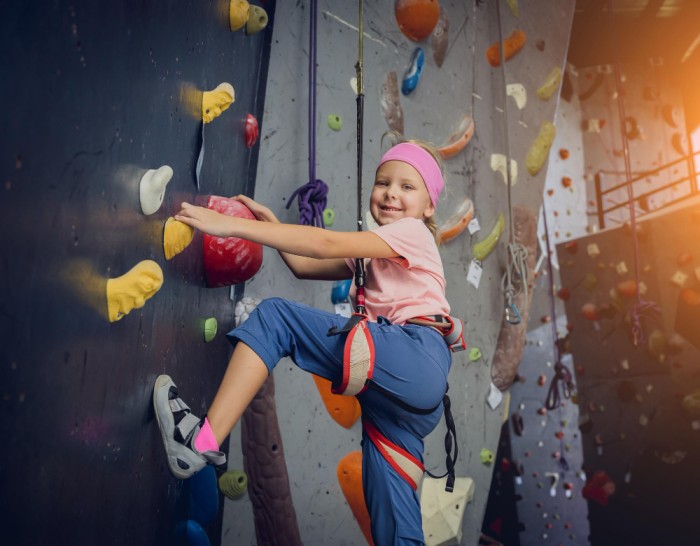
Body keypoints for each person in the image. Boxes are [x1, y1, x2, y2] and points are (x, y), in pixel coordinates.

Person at [154, 140, 460, 545]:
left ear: (428, 207)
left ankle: (200, 442)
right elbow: (305, 264)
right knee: (394, 522)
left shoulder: (414, 234)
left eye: (407, 187)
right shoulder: (374, 254)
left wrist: (231, 225)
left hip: (414, 356)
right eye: (383, 181)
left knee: (275, 317)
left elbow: (325, 244)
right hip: (406, 399)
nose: (390, 193)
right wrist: (271, 229)